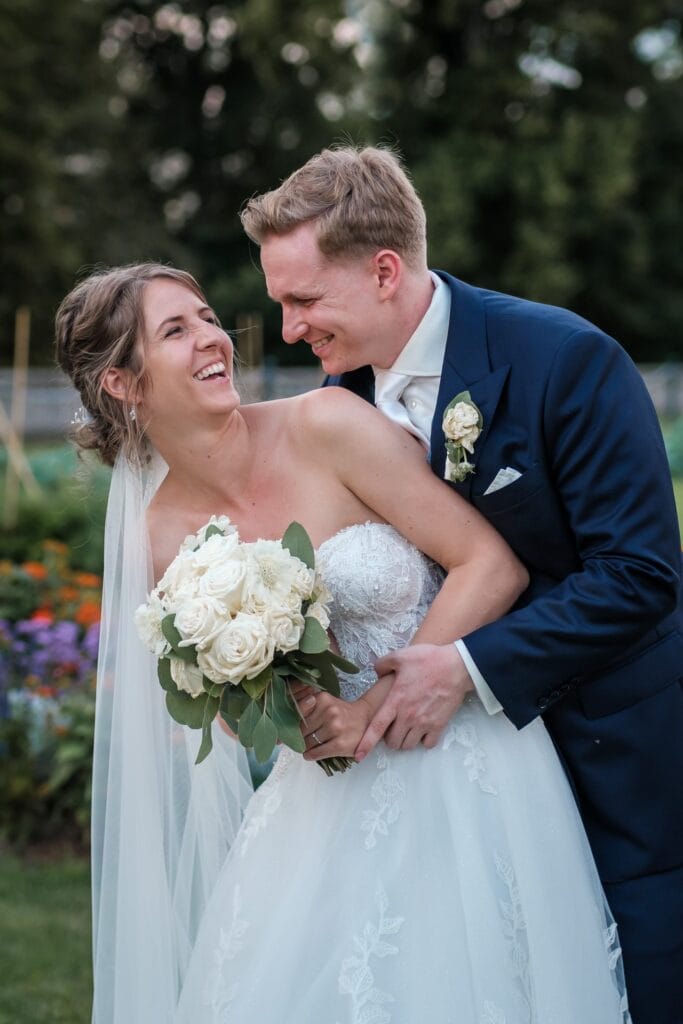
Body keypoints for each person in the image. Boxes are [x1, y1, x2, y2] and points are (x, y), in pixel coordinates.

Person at [55, 263, 630, 1023]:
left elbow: (490, 564)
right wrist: (289, 714)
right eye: (174, 330)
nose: (211, 338)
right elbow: (228, 708)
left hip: (463, 761)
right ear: (124, 385)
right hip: (327, 802)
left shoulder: (325, 424)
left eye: (205, 316)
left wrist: (374, 708)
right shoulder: (161, 533)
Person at [240, 144, 683, 1024]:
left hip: (611, 754)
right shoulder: (343, 395)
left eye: (302, 300)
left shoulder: (566, 360)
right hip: (451, 783)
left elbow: (639, 574)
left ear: (383, 270)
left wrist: (464, 662)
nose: (288, 328)